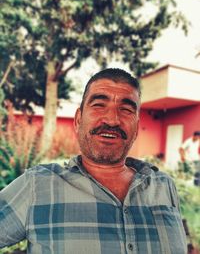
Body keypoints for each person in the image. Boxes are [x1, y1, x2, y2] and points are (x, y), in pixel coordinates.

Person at [0, 68, 187, 253]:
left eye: (126, 109)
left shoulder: (164, 185)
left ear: (137, 127)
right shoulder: (37, 185)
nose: (113, 120)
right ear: (78, 120)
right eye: (98, 105)